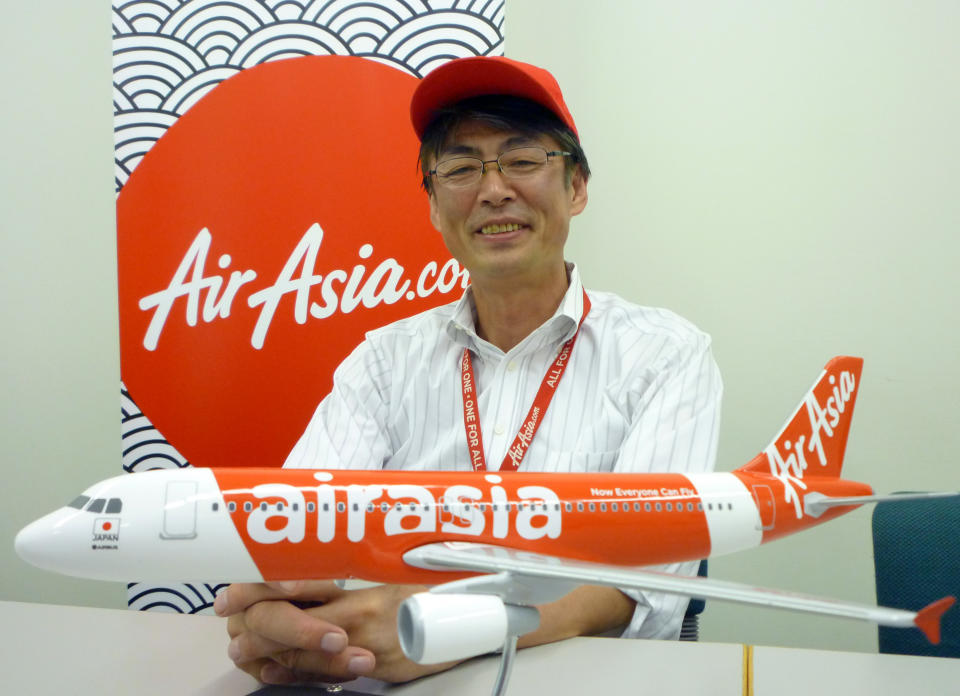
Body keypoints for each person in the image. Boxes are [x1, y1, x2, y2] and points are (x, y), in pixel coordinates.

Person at [214, 55, 722, 686]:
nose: (493, 190)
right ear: (432, 207)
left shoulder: (665, 355)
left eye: (523, 160)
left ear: (577, 188)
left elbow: (643, 586)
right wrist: (281, 610)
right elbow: (298, 527)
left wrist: (448, 631)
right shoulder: (382, 363)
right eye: (459, 168)